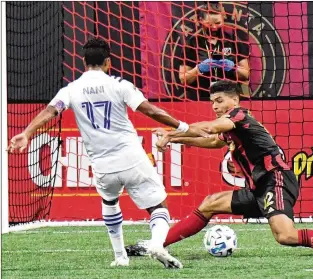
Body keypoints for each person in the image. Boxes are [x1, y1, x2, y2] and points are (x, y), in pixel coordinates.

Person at [7, 37, 208, 269]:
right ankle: (156, 243)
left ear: (83, 61)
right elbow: (149, 110)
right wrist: (181, 126)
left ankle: (120, 257)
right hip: (131, 157)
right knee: (158, 207)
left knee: (110, 202)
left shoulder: (71, 89)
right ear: (108, 62)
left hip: (102, 164)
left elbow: (51, 110)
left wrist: (27, 133)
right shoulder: (119, 84)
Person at [126, 80, 313, 257]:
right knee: (210, 203)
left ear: (235, 100)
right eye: (212, 103)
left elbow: (209, 129)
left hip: (275, 180)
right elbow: (211, 141)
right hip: (258, 186)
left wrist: (170, 132)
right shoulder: (232, 128)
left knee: (286, 236)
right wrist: (174, 139)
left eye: (219, 101)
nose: (215, 106)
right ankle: (156, 245)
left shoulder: (239, 116)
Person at [178, 2, 250, 100]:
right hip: (201, 98)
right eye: (209, 24)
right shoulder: (192, 44)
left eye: (218, 23)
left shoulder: (233, 41)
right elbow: (183, 79)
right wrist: (198, 69)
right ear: (201, 20)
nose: (214, 27)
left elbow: (246, 74)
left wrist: (233, 67)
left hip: (229, 97)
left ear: (223, 20)